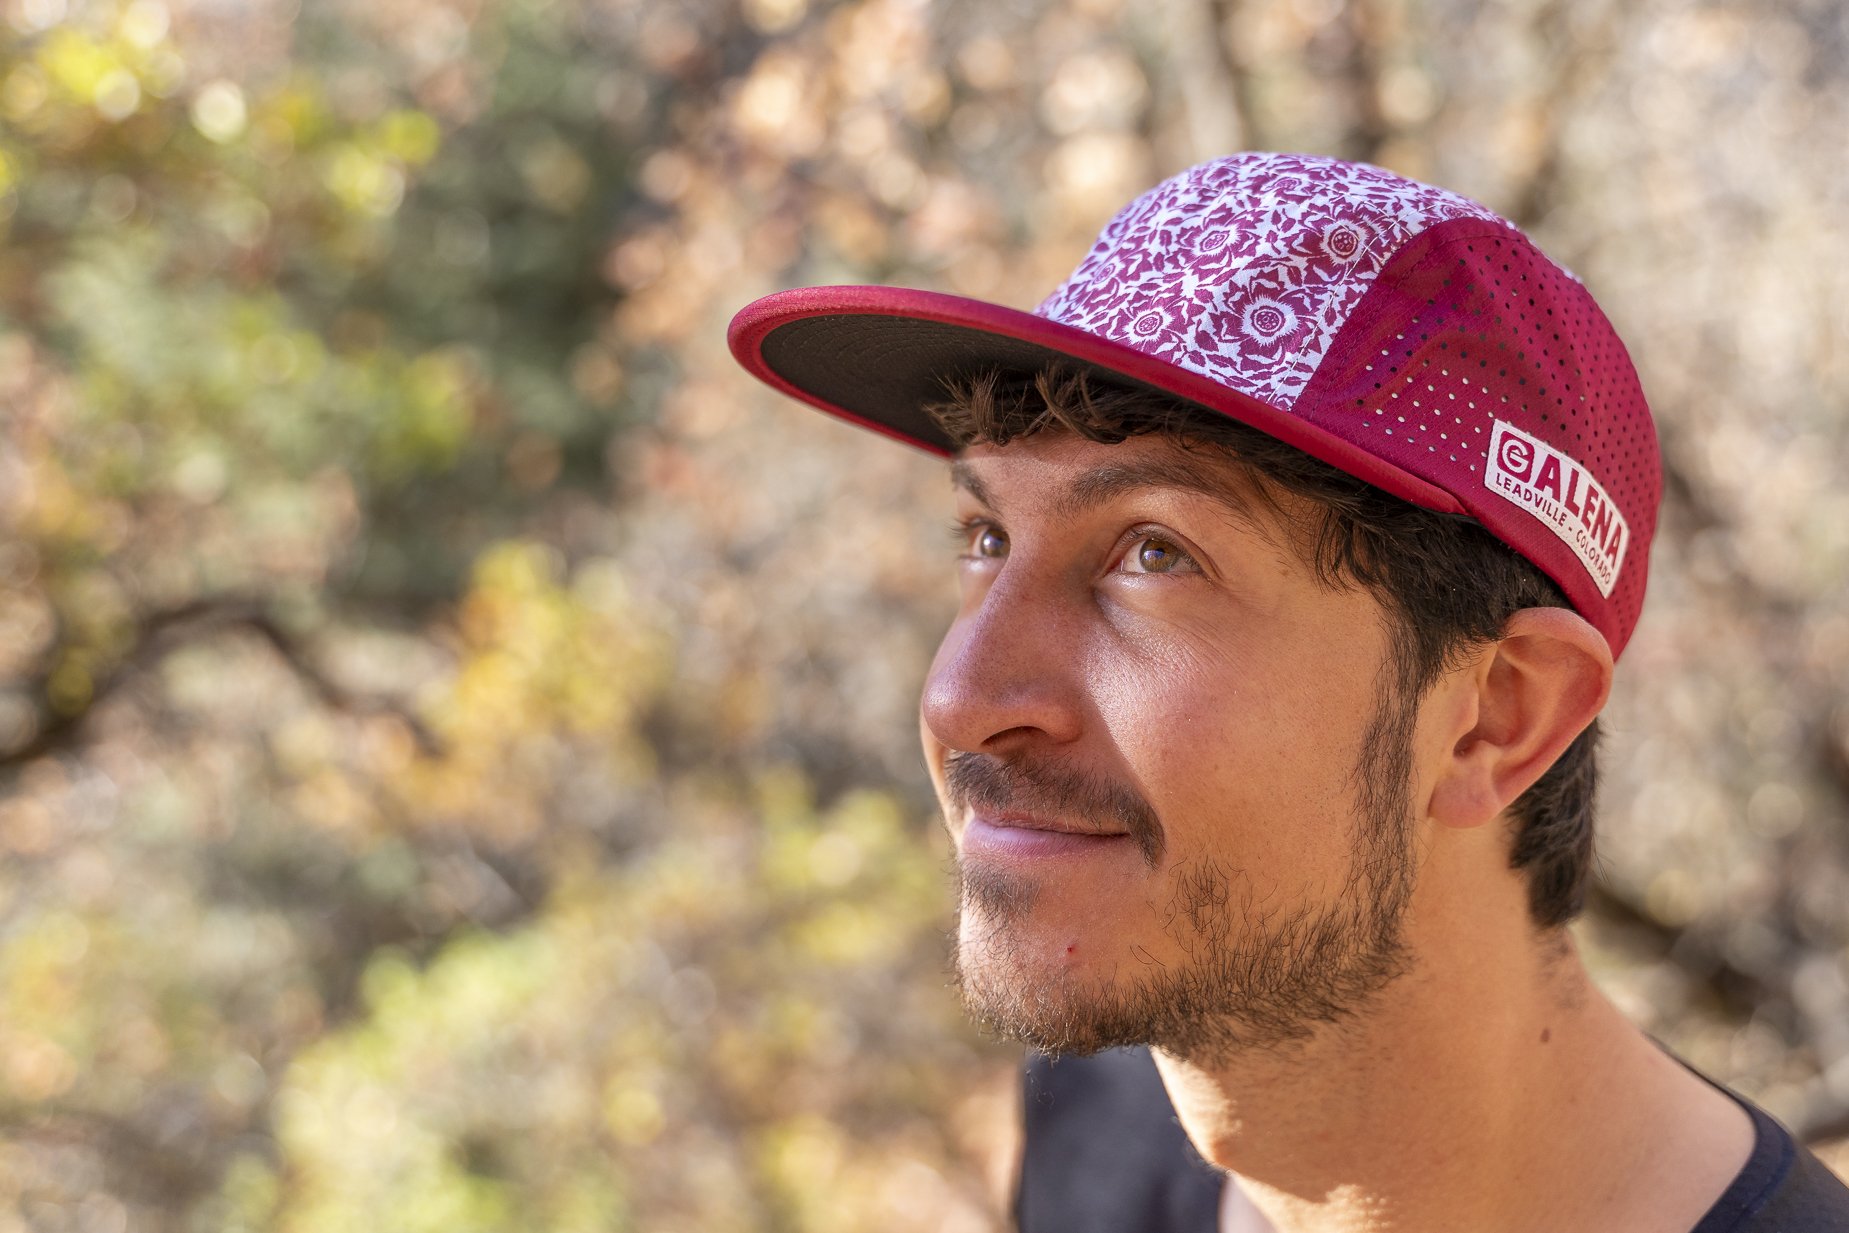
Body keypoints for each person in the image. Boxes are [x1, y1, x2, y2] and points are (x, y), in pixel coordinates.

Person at [728, 153, 1849, 1233]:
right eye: (986, 535)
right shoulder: (1104, 1129)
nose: (959, 698)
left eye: (1154, 555)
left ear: (1495, 717)